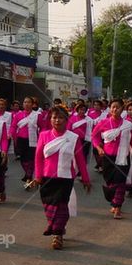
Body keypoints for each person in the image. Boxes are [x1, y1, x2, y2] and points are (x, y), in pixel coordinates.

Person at [32, 106, 92, 250]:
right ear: (50, 120)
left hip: (65, 178)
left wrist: (86, 179)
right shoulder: (44, 135)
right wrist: (38, 176)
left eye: (60, 118)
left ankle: (57, 235)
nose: (57, 120)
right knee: (49, 206)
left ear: (66, 120)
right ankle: (57, 227)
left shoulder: (73, 138)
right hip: (47, 178)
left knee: (62, 206)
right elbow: (38, 158)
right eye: (54, 117)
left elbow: (80, 160)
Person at [91, 99, 132, 219]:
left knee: (120, 183)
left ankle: (117, 207)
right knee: (110, 183)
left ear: (122, 109)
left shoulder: (128, 125)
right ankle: (114, 202)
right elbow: (94, 136)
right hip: (108, 158)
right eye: (113, 107)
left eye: (118, 107)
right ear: (110, 108)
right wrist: (99, 147)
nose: (115, 109)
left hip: (123, 158)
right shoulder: (103, 123)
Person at [12, 96, 41, 185]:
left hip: (33, 140)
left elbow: (43, 127)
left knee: (31, 159)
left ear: (32, 104)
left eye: (28, 102)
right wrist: (10, 134)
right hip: (21, 140)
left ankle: (29, 175)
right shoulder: (18, 115)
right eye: (25, 102)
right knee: (23, 159)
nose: (26, 104)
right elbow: (13, 126)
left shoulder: (37, 115)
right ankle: (28, 173)